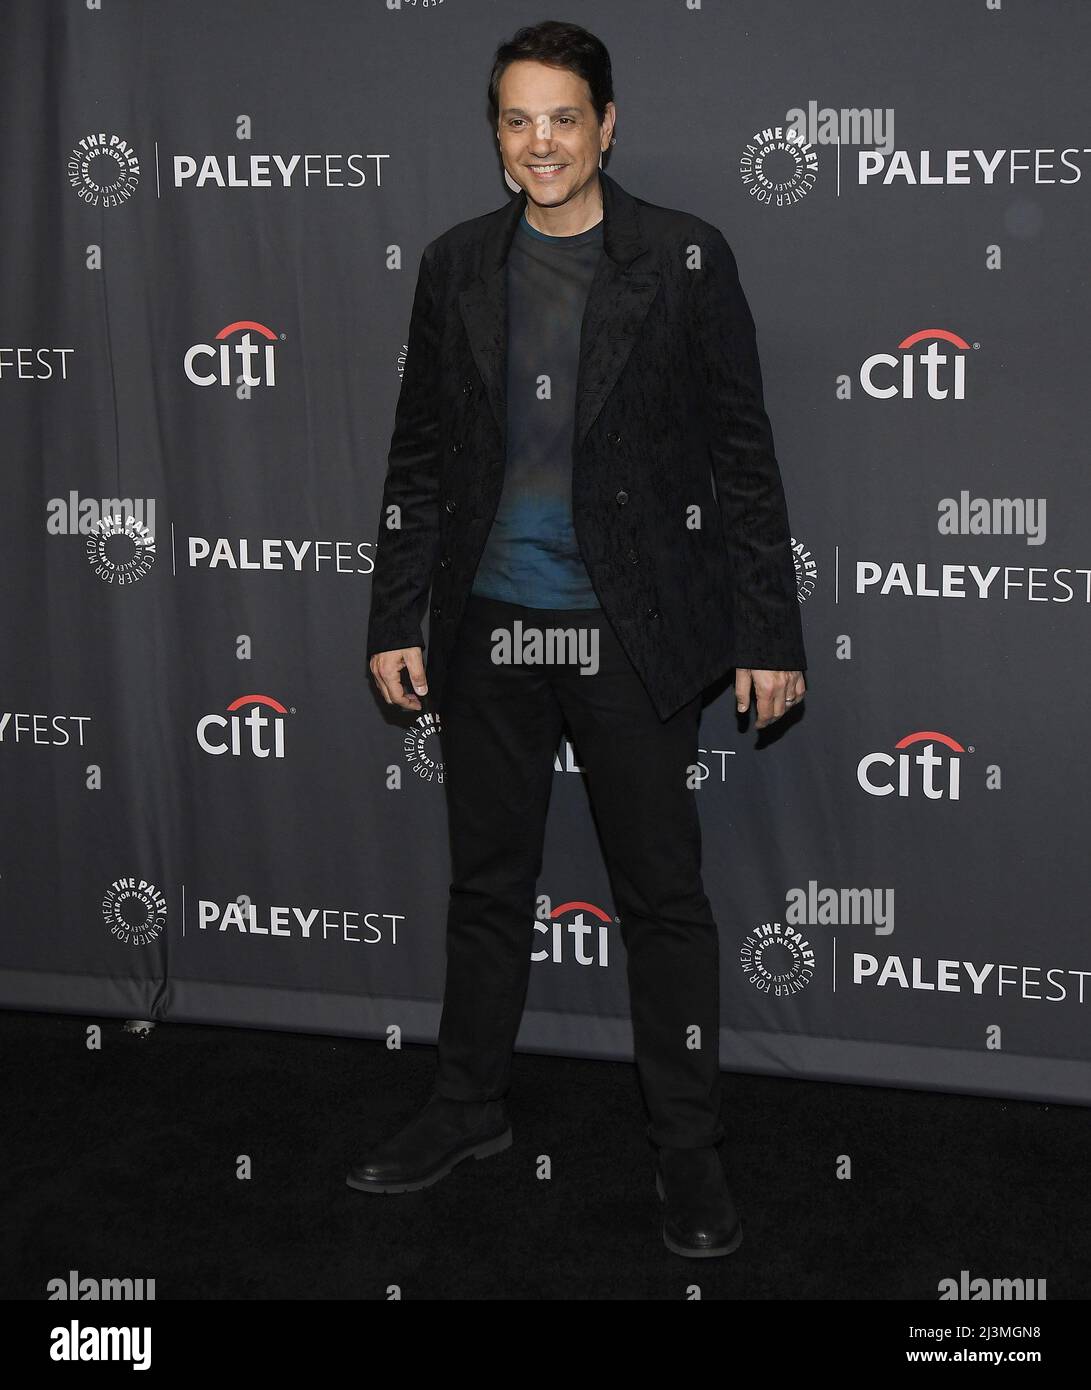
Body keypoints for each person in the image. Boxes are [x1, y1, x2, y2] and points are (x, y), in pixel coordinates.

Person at [348, 20, 807, 1259]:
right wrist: (397, 611)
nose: (540, 141)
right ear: (495, 137)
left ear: (606, 124)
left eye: (563, 116)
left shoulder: (685, 259)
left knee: (662, 902)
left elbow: (742, 463)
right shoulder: (452, 266)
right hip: (488, 626)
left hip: (630, 635)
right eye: (516, 119)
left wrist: (768, 627)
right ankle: (465, 1109)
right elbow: (419, 458)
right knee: (485, 888)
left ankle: (688, 1153)